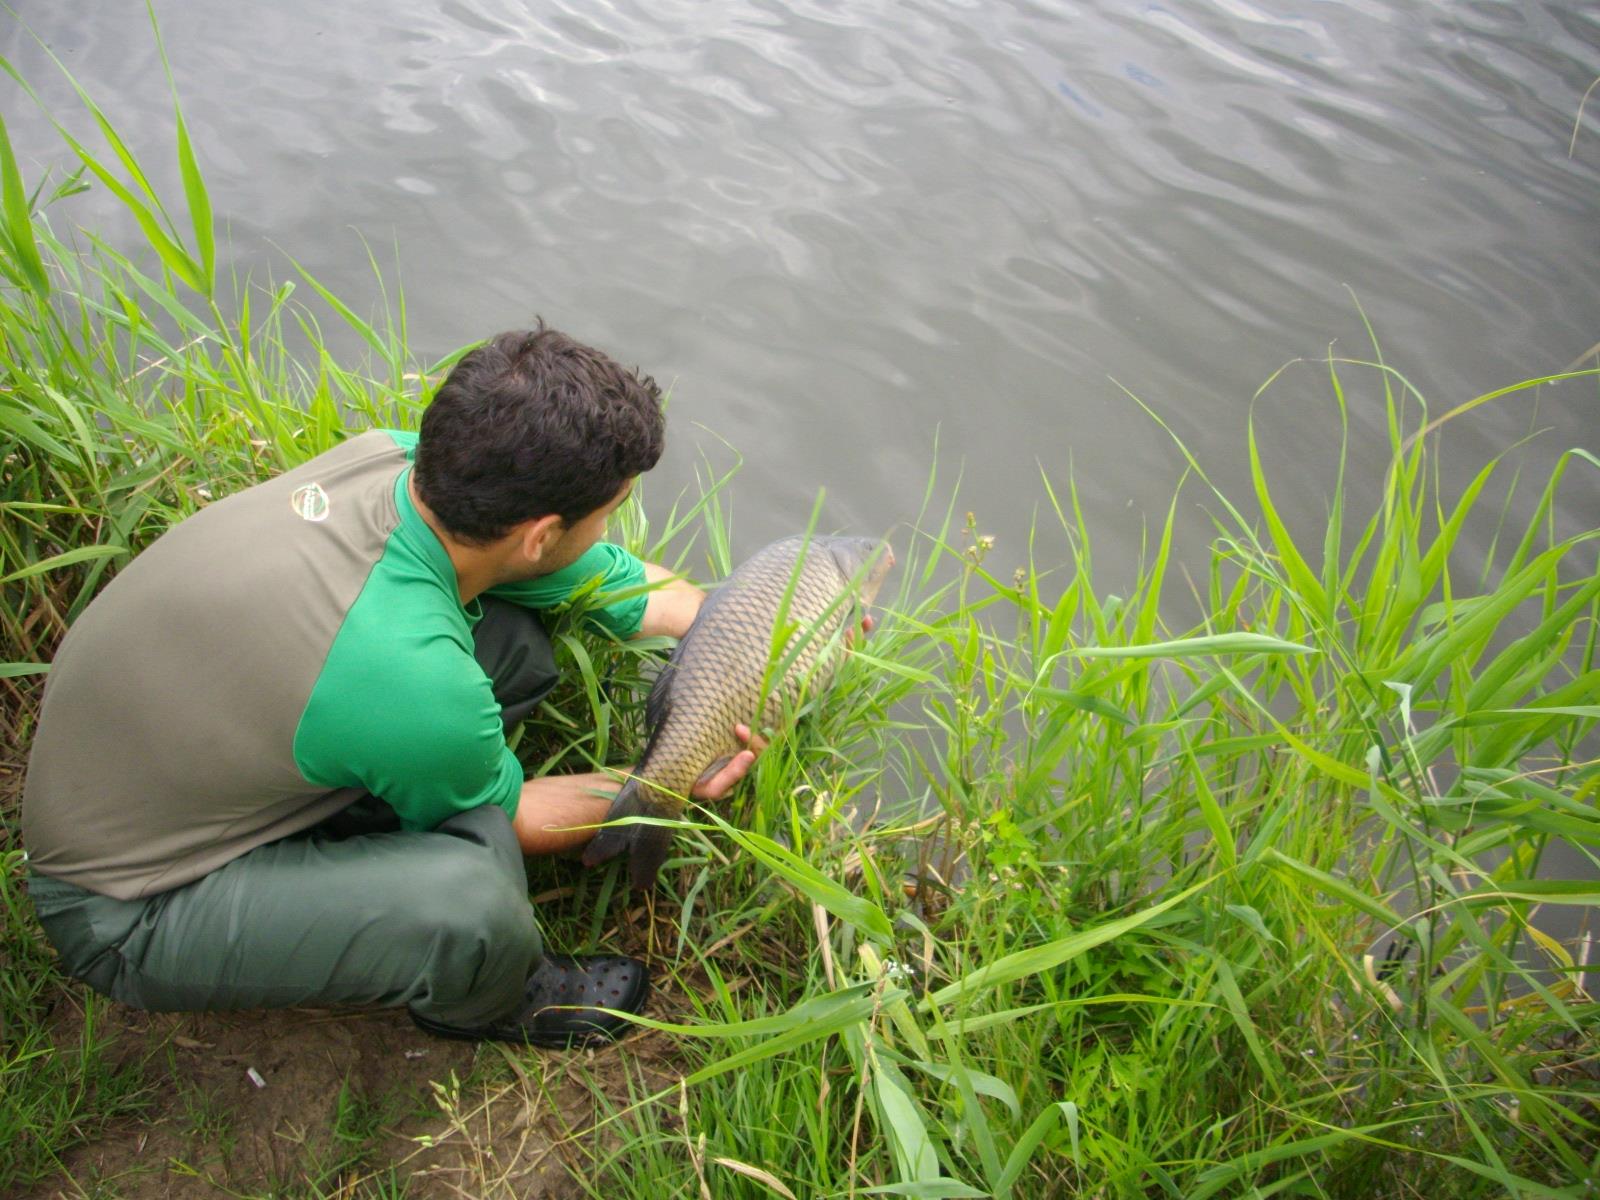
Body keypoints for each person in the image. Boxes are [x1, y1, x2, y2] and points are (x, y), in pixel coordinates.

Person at [20, 323, 760, 1049]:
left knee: (511, 646)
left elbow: (615, 587)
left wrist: (744, 633)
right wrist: (666, 785)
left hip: (156, 756)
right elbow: (517, 816)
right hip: (126, 905)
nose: (609, 530)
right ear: (539, 533)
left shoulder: (397, 464)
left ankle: (358, 822)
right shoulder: (414, 681)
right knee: (471, 897)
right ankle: (484, 996)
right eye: (608, 514)